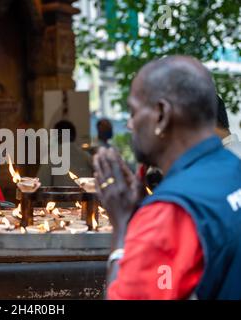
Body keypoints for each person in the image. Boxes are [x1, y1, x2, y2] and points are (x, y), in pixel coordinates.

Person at [93, 55, 241, 299]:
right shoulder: (233, 169)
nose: (130, 124)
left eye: (133, 111)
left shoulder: (169, 213)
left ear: (161, 115)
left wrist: (122, 228)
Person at [37, 120, 93, 186]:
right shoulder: (86, 156)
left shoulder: (51, 158)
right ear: (74, 135)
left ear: (56, 136)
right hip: (85, 195)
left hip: (61, 196)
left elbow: (42, 184)